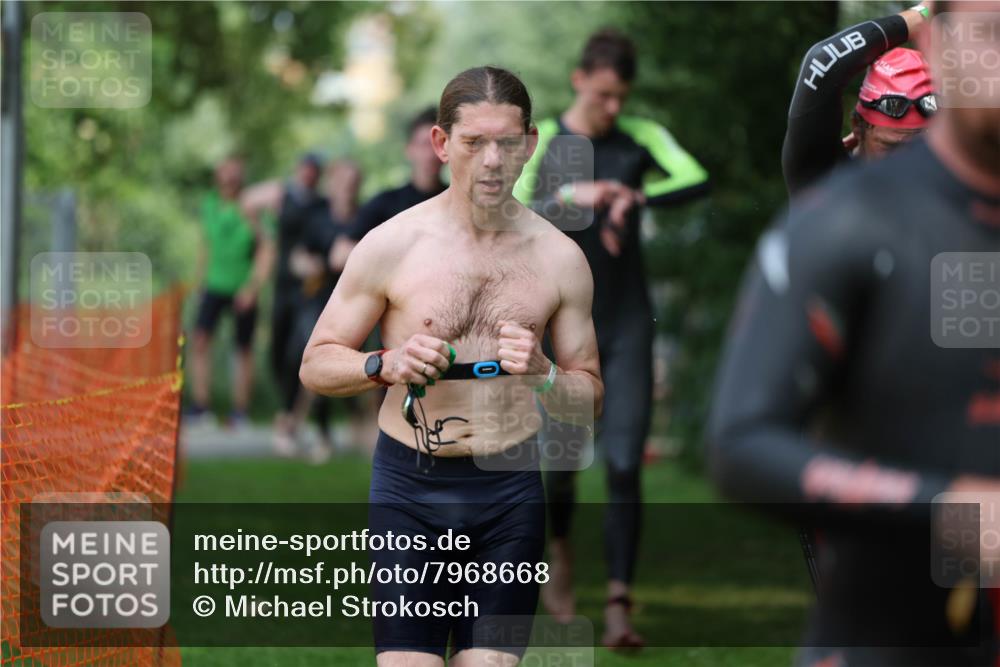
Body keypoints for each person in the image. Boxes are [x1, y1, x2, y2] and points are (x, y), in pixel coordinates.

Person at [709, 4, 1000, 664]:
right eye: (893, 147)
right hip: (869, 506)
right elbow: (819, 71)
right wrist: (920, 15)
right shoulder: (834, 197)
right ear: (856, 133)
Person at [300, 66, 603, 667]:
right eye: (473, 142)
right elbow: (316, 364)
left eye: (507, 143)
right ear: (442, 145)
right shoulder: (391, 244)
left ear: (530, 145)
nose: (492, 160)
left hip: (509, 491)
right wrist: (383, 363)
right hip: (408, 490)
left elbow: (589, 397)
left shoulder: (561, 259)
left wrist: (544, 373)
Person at [512, 27, 709, 647]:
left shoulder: (639, 138)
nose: (613, 108)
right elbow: (510, 208)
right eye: (603, 95)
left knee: (625, 463)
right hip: (566, 328)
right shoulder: (547, 139)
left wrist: (632, 193)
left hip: (627, 324)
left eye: (621, 96)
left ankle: (621, 603)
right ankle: (561, 558)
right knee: (563, 468)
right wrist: (579, 193)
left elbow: (695, 178)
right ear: (579, 81)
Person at [782, 4, 934, 197]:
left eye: (917, 147)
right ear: (858, 127)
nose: (905, 164)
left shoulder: (952, 188)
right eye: (891, 147)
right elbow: (822, 62)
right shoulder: (826, 178)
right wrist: (924, 13)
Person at [242, 153, 329, 453]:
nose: (308, 175)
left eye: (313, 171)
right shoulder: (285, 195)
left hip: (310, 290)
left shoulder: (322, 204)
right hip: (282, 286)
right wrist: (263, 233)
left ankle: (292, 418)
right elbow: (248, 200)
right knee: (277, 351)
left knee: (300, 351)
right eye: (304, 169)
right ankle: (288, 408)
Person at [187, 156, 273, 428]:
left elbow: (267, 250)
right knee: (199, 341)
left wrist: (253, 287)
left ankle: (240, 411)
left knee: (243, 349)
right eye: (226, 173)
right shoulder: (209, 204)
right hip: (213, 285)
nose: (230, 179)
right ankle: (201, 407)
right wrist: (199, 282)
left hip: (242, 288)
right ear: (218, 176)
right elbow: (205, 246)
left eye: (235, 174)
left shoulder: (251, 207)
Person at [288, 158, 364, 460]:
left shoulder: (366, 218)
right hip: (319, 306)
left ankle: (364, 428)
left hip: (359, 308)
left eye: (353, 183)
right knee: (319, 364)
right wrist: (306, 266)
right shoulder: (317, 219)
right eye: (342, 182)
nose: (347, 188)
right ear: (332, 185)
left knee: (360, 368)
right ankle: (321, 434)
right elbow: (298, 256)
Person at [330, 107, 445, 269]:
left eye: (438, 143)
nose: (430, 154)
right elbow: (339, 255)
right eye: (424, 144)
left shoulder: (459, 203)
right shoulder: (385, 203)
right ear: (409, 150)